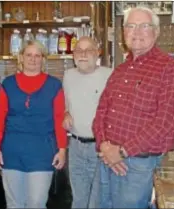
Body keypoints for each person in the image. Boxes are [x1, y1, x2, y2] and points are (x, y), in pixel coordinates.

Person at [92, 6, 174, 208]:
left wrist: (121, 152)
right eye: (130, 26)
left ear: (156, 32)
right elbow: (101, 112)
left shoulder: (170, 67)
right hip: (107, 160)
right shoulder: (120, 70)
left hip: (138, 165)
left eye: (144, 26)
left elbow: (164, 122)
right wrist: (104, 146)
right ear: (124, 33)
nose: (136, 32)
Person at [0, 40, 67, 208]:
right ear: (21, 58)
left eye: (37, 55)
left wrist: (62, 149)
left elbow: (59, 118)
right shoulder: (8, 84)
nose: (33, 59)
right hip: (11, 152)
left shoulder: (54, 85)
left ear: (43, 59)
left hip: (42, 152)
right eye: (29, 55)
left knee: (37, 203)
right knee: (14, 204)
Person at [62, 36, 112, 209]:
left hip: (99, 148)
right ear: (73, 55)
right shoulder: (68, 76)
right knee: (78, 200)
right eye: (78, 50)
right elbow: (65, 105)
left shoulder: (110, 75)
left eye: (88, 50)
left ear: (97, 53)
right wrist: (66, 113)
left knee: (97, 202)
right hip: (75, 146)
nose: (83, 55)